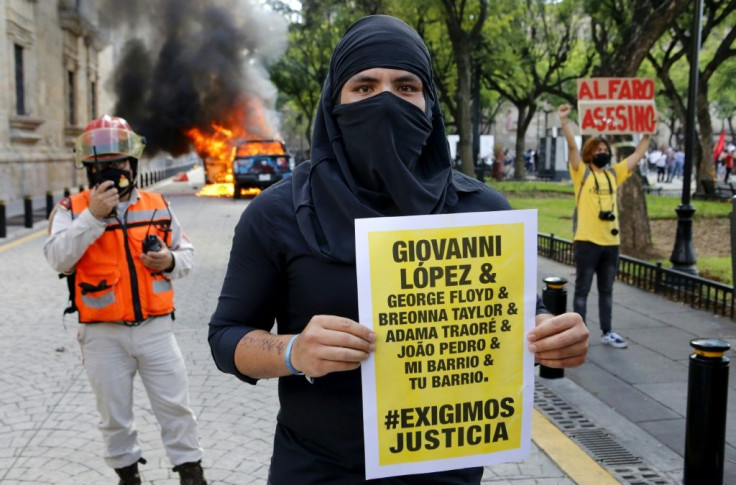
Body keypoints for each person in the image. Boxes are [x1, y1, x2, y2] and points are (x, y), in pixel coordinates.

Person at [209, 15, 589, 484]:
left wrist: (552, 335)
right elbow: (226, 338)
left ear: (429, 106)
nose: (386, 101)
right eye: (364, 87)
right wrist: (293, 352)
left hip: (444, 470)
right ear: (334, 103)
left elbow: (521, 319)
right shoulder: (278, 214)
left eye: (406, 87)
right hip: (319, 469)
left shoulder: (481, 210)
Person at [44, 115, 207, 485]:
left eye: (118, 162)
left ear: (132, 165)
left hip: (156, 330)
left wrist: (169, 261)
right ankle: (127, 475)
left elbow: (189, 255)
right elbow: (57, 258)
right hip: (102, 336)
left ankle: (191, 473)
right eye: (101, 164)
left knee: (175, 408)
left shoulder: (156, 203)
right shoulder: (72, 210)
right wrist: (93, 217)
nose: (111, 171)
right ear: (88, 168)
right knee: (113, 415)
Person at [558, 104, 653, 349]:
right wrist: (564, 122)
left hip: (611, 243)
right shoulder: (582, 172)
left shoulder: (613, 174)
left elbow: (637, 156)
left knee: (607, 290)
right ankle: (582, 334)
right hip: (587, 241)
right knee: (582, 290)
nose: (603, 152)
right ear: (590, 152)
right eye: (599, 149)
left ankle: (607, 332)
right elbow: (571, 147)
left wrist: (647, 134)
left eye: (605, 149)